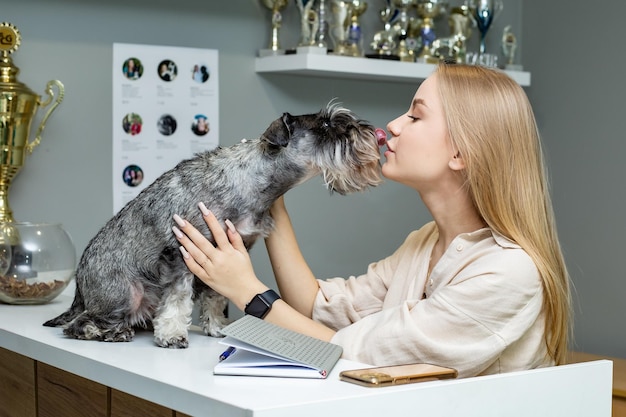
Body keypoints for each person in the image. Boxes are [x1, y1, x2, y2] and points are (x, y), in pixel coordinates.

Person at [171, 62, 571, 378]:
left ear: (460, 154)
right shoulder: (425, 243)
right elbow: (316, 307)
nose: (393, 125)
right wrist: (268, 190)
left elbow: (349, 354)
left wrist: (246, 291)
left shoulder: (507, 272)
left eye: (415, 116)